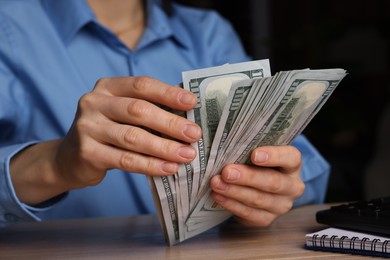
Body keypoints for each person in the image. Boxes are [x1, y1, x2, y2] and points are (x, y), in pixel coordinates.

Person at [0, 0, 329, 228]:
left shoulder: (208, 32)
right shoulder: (9, 29)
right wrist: (55, 165)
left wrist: (264, 194)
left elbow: (305, 174)